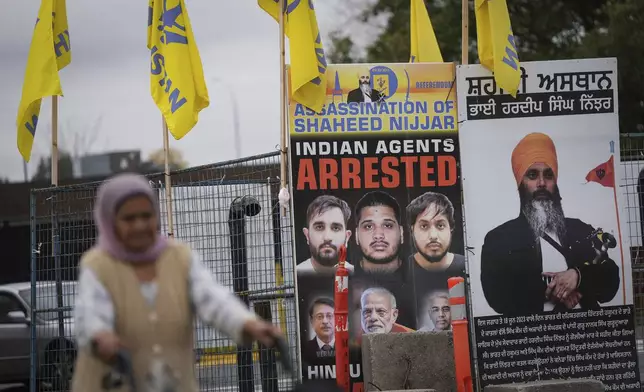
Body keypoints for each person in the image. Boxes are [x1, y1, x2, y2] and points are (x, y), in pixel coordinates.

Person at [71, 173, 282, 392]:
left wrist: (247, 323)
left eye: (147, 215)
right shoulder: (97, 265)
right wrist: (100, 335)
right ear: (110, 221)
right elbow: (91, 311)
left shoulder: (180, 257)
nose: (140, 225)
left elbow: (213, 300)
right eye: (129, 218)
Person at [481, 132, 621, 315]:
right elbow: (497, 296)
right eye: (532, 175)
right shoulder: (499, 238)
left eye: (548, 175)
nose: (541, 183)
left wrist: (578, 277)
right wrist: (558, 289)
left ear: (555, 182)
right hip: (532, 335)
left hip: (586, 333)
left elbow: (610, 282)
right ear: (520, 183)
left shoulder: (579, 228)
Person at [406, 191, 465, 302]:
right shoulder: (401, 271)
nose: (433, 236)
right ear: (412, 229)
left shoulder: (466, 267)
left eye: (440, 225)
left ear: (451, 228)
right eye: (424, 226)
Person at [297, 195, 355, 275]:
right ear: (307, 235)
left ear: (347, 237)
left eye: (336, 228)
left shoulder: (358, 275)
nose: (327, 237)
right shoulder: (295, 277)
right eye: (319, 227)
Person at [303, 297, 335, 364]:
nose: (325, 321)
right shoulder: (303, 350)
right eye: (319, 317)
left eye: (329, 316)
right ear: (311, 321)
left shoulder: (348, 348)